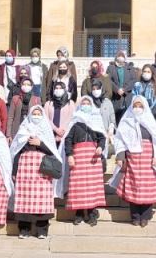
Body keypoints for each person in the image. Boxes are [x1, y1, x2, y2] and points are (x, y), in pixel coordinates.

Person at [109, 97, 156, 227]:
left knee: (147, 189)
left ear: (145, 107)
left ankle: (145, 216)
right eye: (135, 105)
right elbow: (120, 140)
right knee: (133, 187)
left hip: (148, 159)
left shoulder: (150, 121)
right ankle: (135, 216)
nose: (137, 108)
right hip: (132, 159)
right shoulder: (126, 122)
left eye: (140, 105)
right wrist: (120, 156)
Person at [10, 106, 62, 239]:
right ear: (29, 115)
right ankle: (24, 229)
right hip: (25, 170)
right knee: (24, 200)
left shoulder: (46, 130)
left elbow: (53, 152)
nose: (37, 116)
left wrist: (41, 144)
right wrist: (14, 171)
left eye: (39, 114)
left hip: (42, 170)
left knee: (42, 200)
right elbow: (16, 151)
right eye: (34, 113)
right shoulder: (23, 130)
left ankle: (42, 230)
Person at [58, 96, 108, 226]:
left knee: (91, 187)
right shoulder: (75, 123)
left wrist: (100, 147)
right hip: (79, 157)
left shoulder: (96, 121)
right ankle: (79, 213)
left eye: (88, 103)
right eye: (83, 103)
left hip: (92, 158)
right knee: (78, 186)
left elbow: (102, 137)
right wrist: (69, 155)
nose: (85, 105)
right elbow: (68, 140)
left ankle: (91, 213)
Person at [107, 51, 138, 122]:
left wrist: (124, 89)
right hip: (116, 98)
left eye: (122, 55)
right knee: (116, 120)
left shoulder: (130, 68)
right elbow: (108, 80)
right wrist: (117, 89)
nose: (120, 57)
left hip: (127, 97)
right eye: (119, 55)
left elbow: (133, 80)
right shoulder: (111, 68)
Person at [44, 82, 76, 146]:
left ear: (64, 90)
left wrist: (62, 130)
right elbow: (45, 119)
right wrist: (56, 130)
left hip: (66, 134)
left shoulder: (70, 103)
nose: (58, 90)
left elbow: (71, 118)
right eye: (56, 88)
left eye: (60, 88)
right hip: (51, 134)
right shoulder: (48, 103)